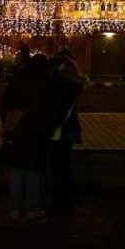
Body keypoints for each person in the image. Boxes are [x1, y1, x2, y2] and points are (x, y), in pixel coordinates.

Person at [0, 53, 59, 221]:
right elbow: (52, 112)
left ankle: (15, 208)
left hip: (16, 134)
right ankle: (33, 208)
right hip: (37, 135)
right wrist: (48, 130)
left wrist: (9, 125)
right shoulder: (45, 85)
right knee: (33, 172)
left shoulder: (16, 83)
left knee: (17, 171)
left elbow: (4, 107)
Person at [48, 49, 87, 215]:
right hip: (68, 129)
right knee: (64, 165)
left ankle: (58, 200)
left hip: (57, 129)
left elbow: (55, 107)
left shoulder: (58, 83)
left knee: (57, 166)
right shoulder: (74, 84)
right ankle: (66, 199)